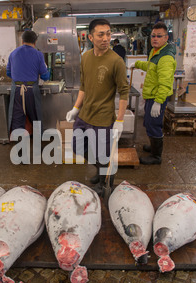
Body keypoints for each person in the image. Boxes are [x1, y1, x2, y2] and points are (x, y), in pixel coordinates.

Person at [66, 19, 129, 195]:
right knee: (79, 147)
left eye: (108, 33)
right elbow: (84, 86)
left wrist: (120, 120)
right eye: (101, 34)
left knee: (103, 154)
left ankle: (105, 183)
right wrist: (76, 108)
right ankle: (102, 171)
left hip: (103, 118)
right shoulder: (85, 57)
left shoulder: (116, 61)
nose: (106, 38)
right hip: (84, 115)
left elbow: (124, 92)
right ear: (91, 37)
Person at [131, 22, 176, 165]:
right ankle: (153, 146)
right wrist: (137, 64)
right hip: (151, 95)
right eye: (153, 36)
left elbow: (166, 82)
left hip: (157, 97)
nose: (155, 38)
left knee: (154, 124)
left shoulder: (166, 57)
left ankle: (156, 156)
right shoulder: (156, 51)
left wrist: (158, 101)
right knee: (149, 123)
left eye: (159, 36)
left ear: (166, 37)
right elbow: (150, 67)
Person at [6, 30, 50, 134]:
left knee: (17, 119)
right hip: (31, 91)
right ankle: (38, 146)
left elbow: (8, 73)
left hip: (16, 90)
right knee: (36, 118)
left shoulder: (13, 53)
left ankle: (19, 148)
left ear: (22, 41)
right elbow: (45, 76)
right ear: (35, 42)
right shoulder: (38, 54)